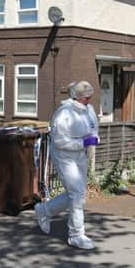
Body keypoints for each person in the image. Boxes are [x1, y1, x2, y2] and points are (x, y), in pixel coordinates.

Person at [35, 81, 100, 250]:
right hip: (65, 157)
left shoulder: (89, 110)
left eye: (90, 97)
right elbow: (59, 141)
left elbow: (93, 127)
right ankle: (76, 235)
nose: (88, 100)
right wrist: (83, 142)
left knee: (77, 193)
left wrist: (94, 138)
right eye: (86, 97)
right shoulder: (63, 114)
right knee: (77, 195)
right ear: (77, 97)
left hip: (80, 155)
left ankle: (45, 210)